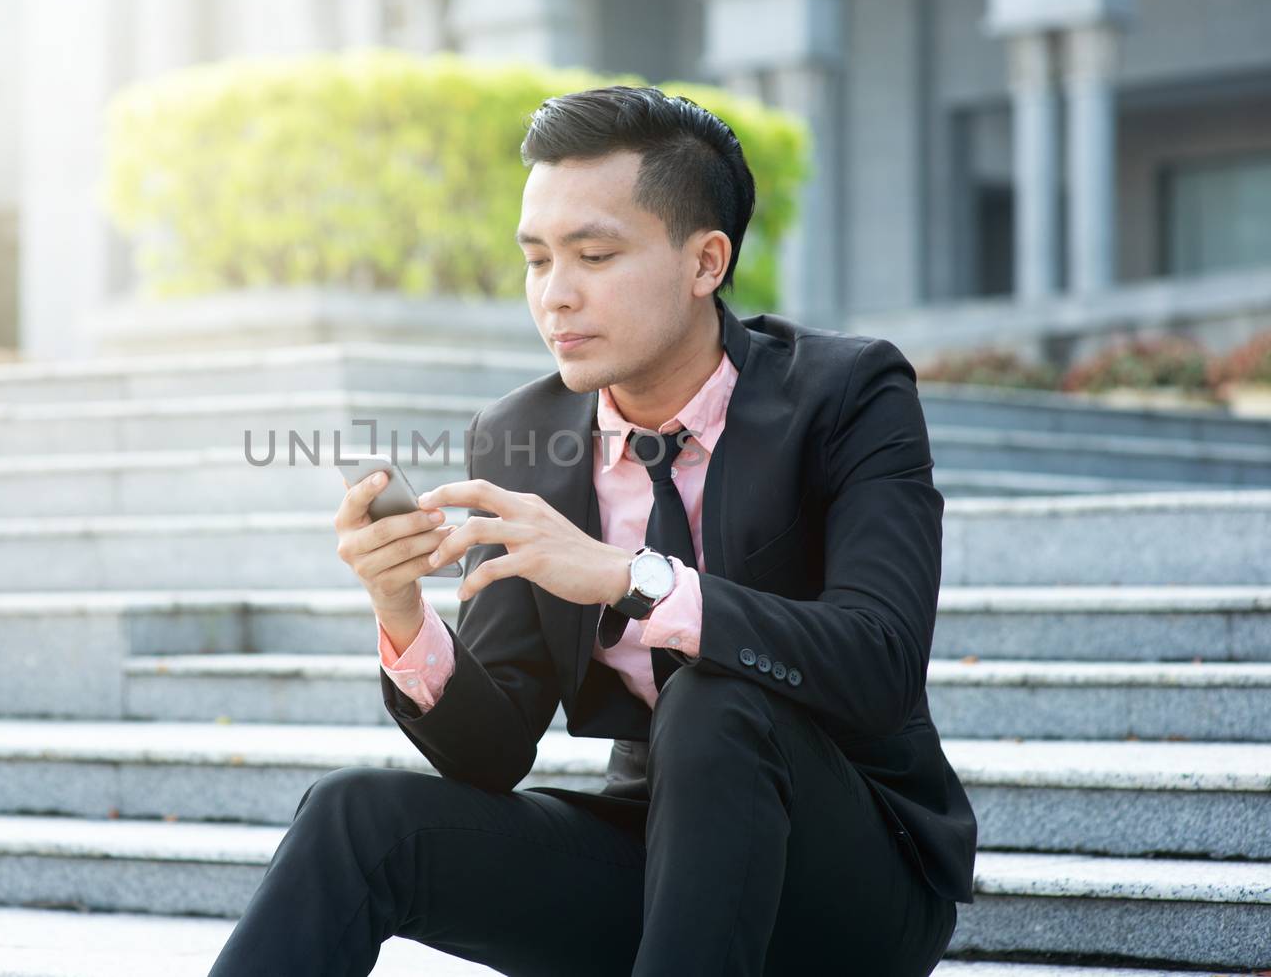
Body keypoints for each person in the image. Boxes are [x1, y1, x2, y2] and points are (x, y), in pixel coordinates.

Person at [208, 85, 976, 976]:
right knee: (354, 817)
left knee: (716, 698)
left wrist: (629, 578)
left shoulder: (850, 396)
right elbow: (492, 755)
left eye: (596, 255)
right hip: (657, 869)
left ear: (706, 262)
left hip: (854, 882)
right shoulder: (521, 438)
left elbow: (879, 661)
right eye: (538, 261)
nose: (556, 296)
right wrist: (402, 612)